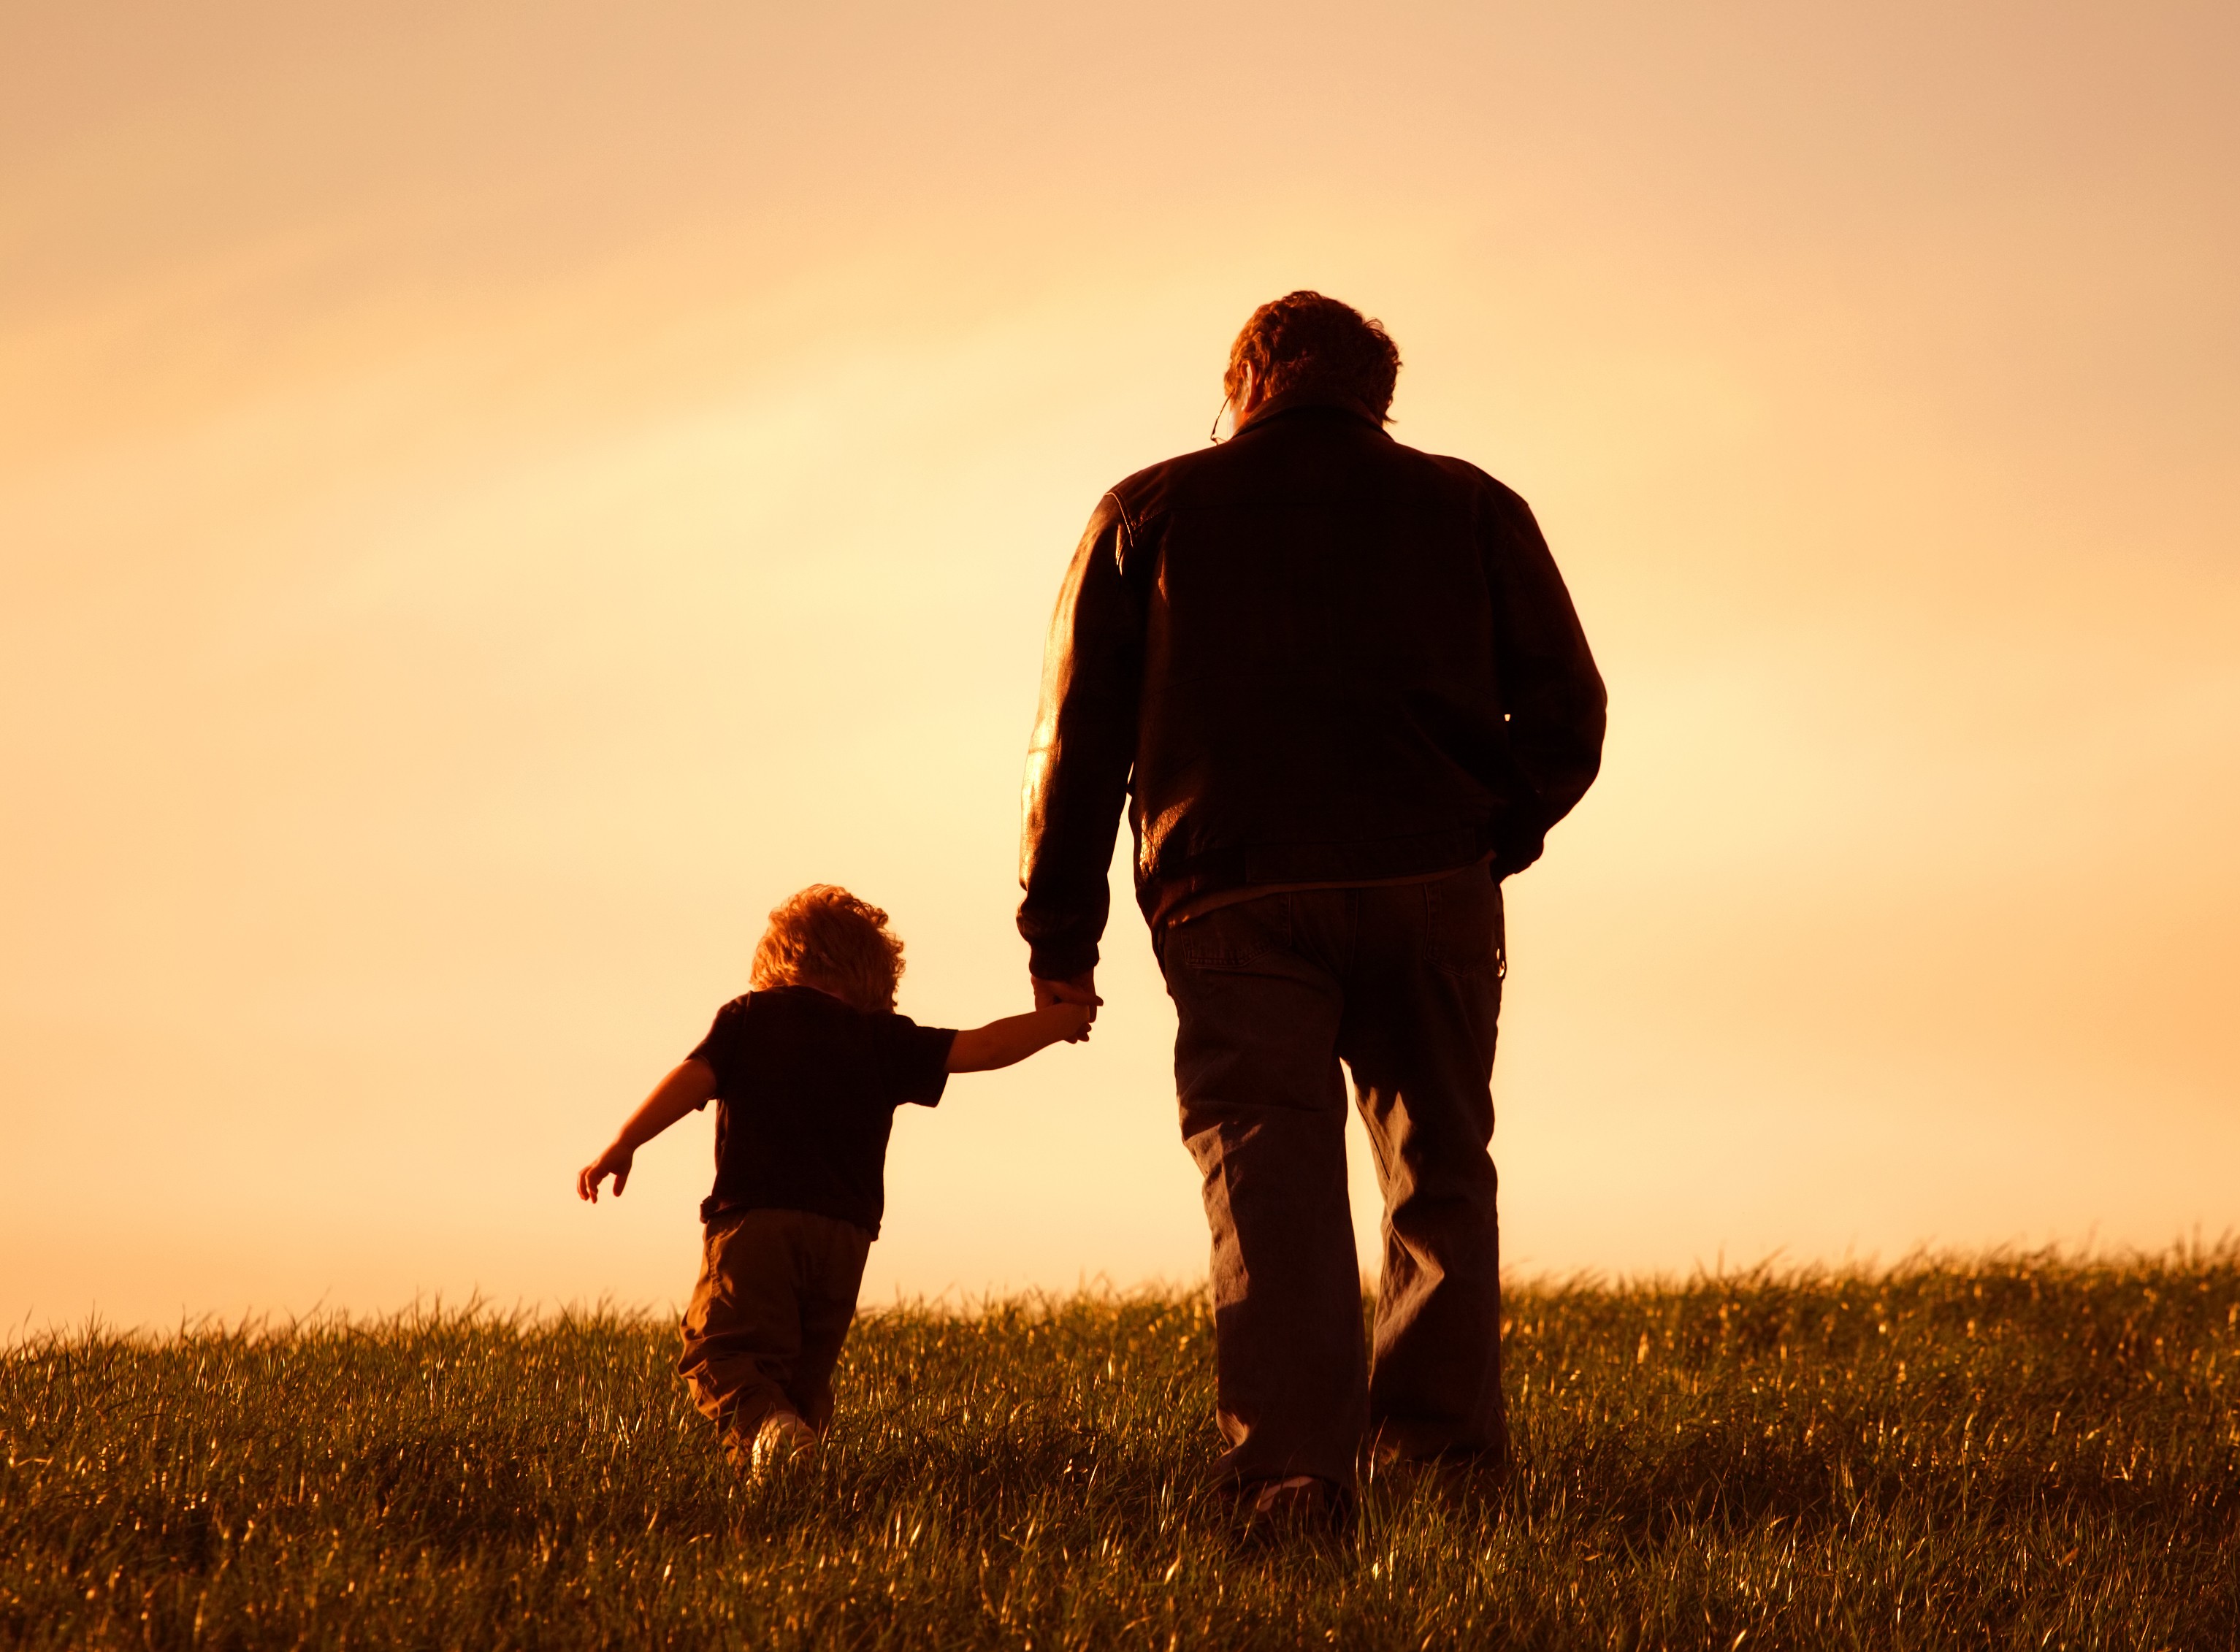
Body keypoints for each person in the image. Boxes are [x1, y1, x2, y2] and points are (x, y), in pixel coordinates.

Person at [1017, 291, 1606, 1532]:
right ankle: (1440, 1472)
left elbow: (1073, 746)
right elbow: (1568, 710)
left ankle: (1292, 1476)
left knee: (1267, 1177)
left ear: (1243, 384)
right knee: (1438, 1170)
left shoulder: (1148, 511)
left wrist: (1058, 941)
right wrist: (1487, 835)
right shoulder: (1471, 506)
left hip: (1230, 892)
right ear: (1375, 394)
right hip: (1428, 885)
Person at [578, 884, 1095, 1477]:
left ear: (782, 960)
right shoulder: (881, 1038)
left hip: (756, 1223)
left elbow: (693, 1078)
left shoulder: (751, 1017)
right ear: (875, 977)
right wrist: (1058, 1020)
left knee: (723, 1355)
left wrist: (625, 1142)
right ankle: (791, 1474)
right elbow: (983, 1047)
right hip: (844, 1241)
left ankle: (770, 1440)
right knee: (802, 1375)